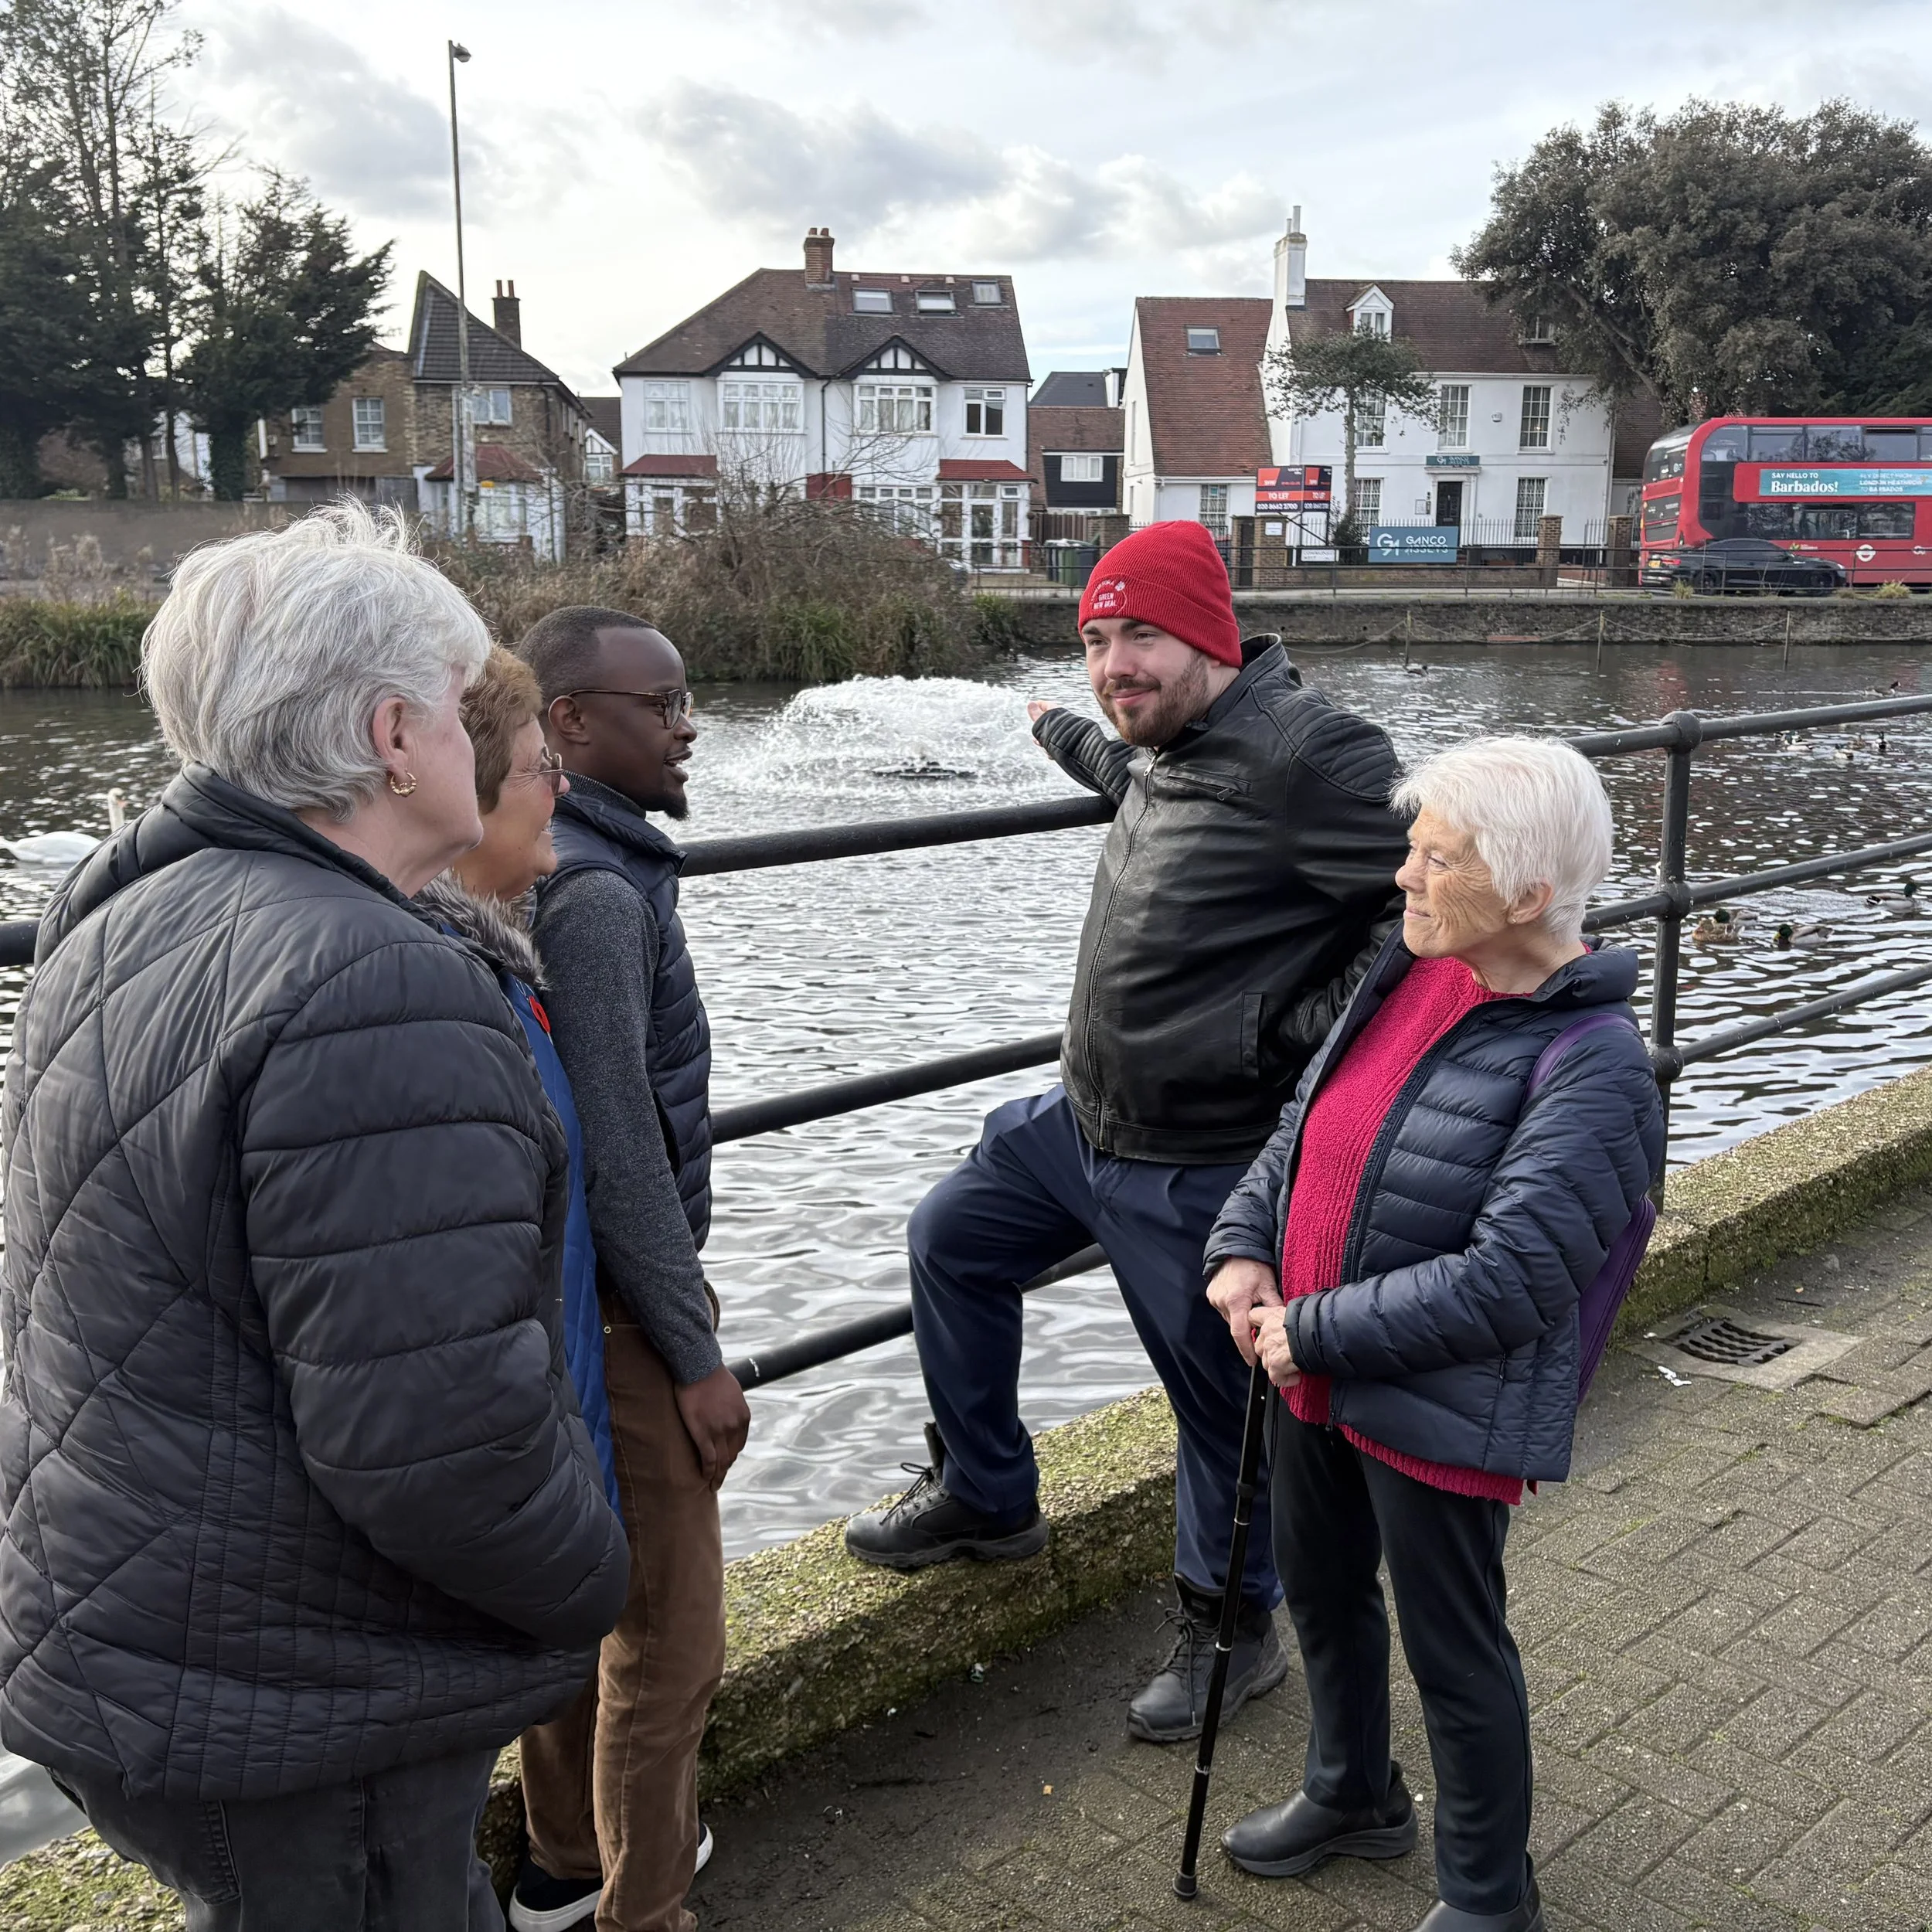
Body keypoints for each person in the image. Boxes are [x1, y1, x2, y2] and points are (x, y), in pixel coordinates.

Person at [0, 503, 630, 1932]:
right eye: (464, 704)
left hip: (140, 1630)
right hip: (295, 1694)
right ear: (394, 737)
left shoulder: (121, 912)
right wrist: (598, 1577)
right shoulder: (375, 987)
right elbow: (434, 1441)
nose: (488, 732)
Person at [845, 520, 1413, 1743]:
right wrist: (1066, 734)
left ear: (1208, 633)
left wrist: (1285, 1031)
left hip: (1202, 1154)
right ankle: (989, 1495)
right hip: (1081, 1121)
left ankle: (1229, 1628)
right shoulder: (1167, 743)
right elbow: (1141, 786)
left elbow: (1423, 912)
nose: (1115, 663)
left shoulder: (1316, 754)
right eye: (1098, 640)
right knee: (951, 1235)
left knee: (1218, 1408)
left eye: (1139, 635)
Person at [1202, 737, 1664, 1932]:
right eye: (1412, 850)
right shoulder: (1412, 971)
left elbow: (1516, 1280)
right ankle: (1352, 1793)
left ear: (1525, 895)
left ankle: (1489, 1898)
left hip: (1431, 1392)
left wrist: (1316, 1328)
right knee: (1323, 1591)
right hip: (1308, 1362)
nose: (1404, 879)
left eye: (1435, 859)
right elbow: (1305, 1125)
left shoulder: (1595, 1066)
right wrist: (1244, 1244)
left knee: (1456, 1650)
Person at [513, 606, 748, 1932]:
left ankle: (557, 1871)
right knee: (667, 1642)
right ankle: (643, 1904)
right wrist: (695, 1353)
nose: (686, 724)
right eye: (658, 704)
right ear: (569, 724)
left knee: (573, 1595)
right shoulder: (597, 895)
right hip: (623, 1315)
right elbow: (622, 1151)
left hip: (554, 1309)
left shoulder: (547, 863)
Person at [417, 647, 620, 1523]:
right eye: (544, 769)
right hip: (530, 1512)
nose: (563, 792)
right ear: (462, 789)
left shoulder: (495, 972)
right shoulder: (444, 1005)